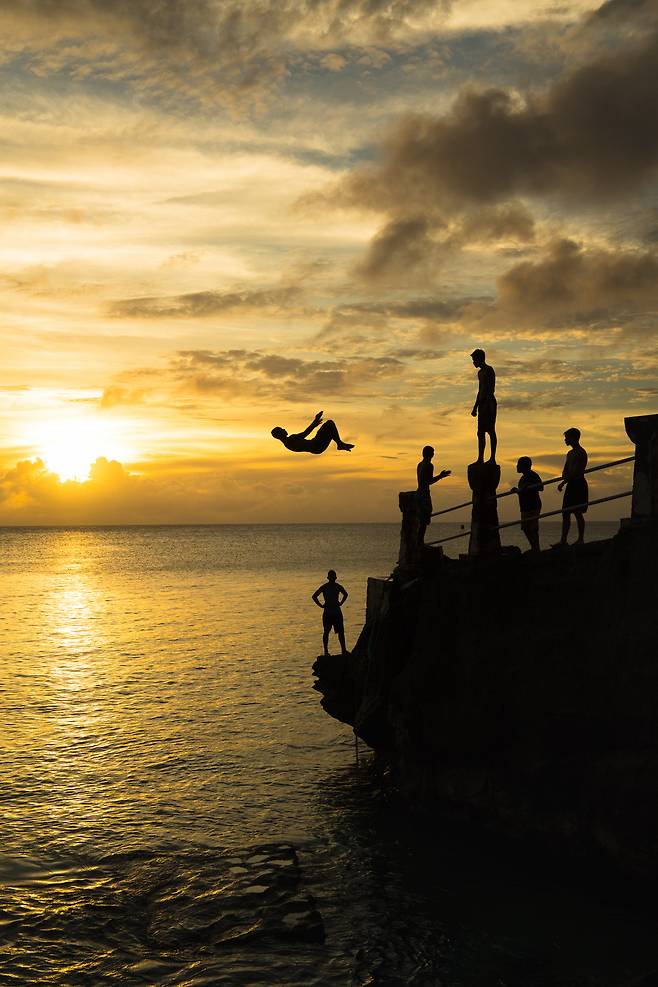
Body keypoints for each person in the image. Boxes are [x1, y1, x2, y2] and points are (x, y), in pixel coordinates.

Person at [555, 428, 588, 546]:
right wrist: (564, 478)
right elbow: (566, 469)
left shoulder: (581, 452)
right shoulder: (569, 453)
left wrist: (563, 482)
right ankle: (563, 540)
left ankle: (580, 539)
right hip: (571, 484)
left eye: (567, 438)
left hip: (578, 484)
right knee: (565, 512)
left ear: (573, 438)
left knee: (577, 512)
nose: (565, 440)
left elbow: (576, 471)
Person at [271, 411, 354, 454]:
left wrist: (315, 423)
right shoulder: (290, 440)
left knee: (329, 429)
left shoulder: (288, 444)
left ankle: (340, 444)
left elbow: (305, 434)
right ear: (279, 434)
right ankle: (340, 444)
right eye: (281, 429)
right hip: (317, 444)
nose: (284, 429)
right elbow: (305, 433)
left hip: (316, 447)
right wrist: (315, 421)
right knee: (329, 423)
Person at [416, 446, 451, 546]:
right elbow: (429, 481)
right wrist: (441, 476)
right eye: (433, 452)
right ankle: (420, 542)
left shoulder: (420, 464)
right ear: (430, 454)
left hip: (419, 493)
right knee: (425, 518)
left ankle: (419, 541)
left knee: (422, 518)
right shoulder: (429, 465)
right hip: (424, 494)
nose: (434, 454)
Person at [312, 570, 349, 656]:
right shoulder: (326, 587)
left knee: (340, 632)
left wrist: (341, 603)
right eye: (331, 577)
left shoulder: (336, 586)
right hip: (329, 612)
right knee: (327, 631)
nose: (332, 579)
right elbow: (314, 596)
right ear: (329, 578)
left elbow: (346, 594)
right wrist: (321, 605)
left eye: (333, 577)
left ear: (334, 578)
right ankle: (326, 651)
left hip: (335, 611)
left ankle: (343, 650)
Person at [511, 456, 544, 553]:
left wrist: (529, 485)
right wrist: (517, 491)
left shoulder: (532, 475)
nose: (517, 466)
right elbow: (523, 492)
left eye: (518, 465)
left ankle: (536, 549)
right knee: (525, 528)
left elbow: (541, 487)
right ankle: (534, 547)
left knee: (533, 528)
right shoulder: (522, 478)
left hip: (533, 505)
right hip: (525, 506)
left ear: (524, 466)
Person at [470, 349, 497, 463]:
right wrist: (475, 407)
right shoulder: (480, 373)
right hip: (482, 404)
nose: (473, 362)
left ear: (480, 359)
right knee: (480, 432)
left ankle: (492, 458)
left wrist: (485, 403)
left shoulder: (489, 370)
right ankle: (480, 458)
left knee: (490, 431)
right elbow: (480, 390)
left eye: (474, 360)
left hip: (489, 403)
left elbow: (489, 389)